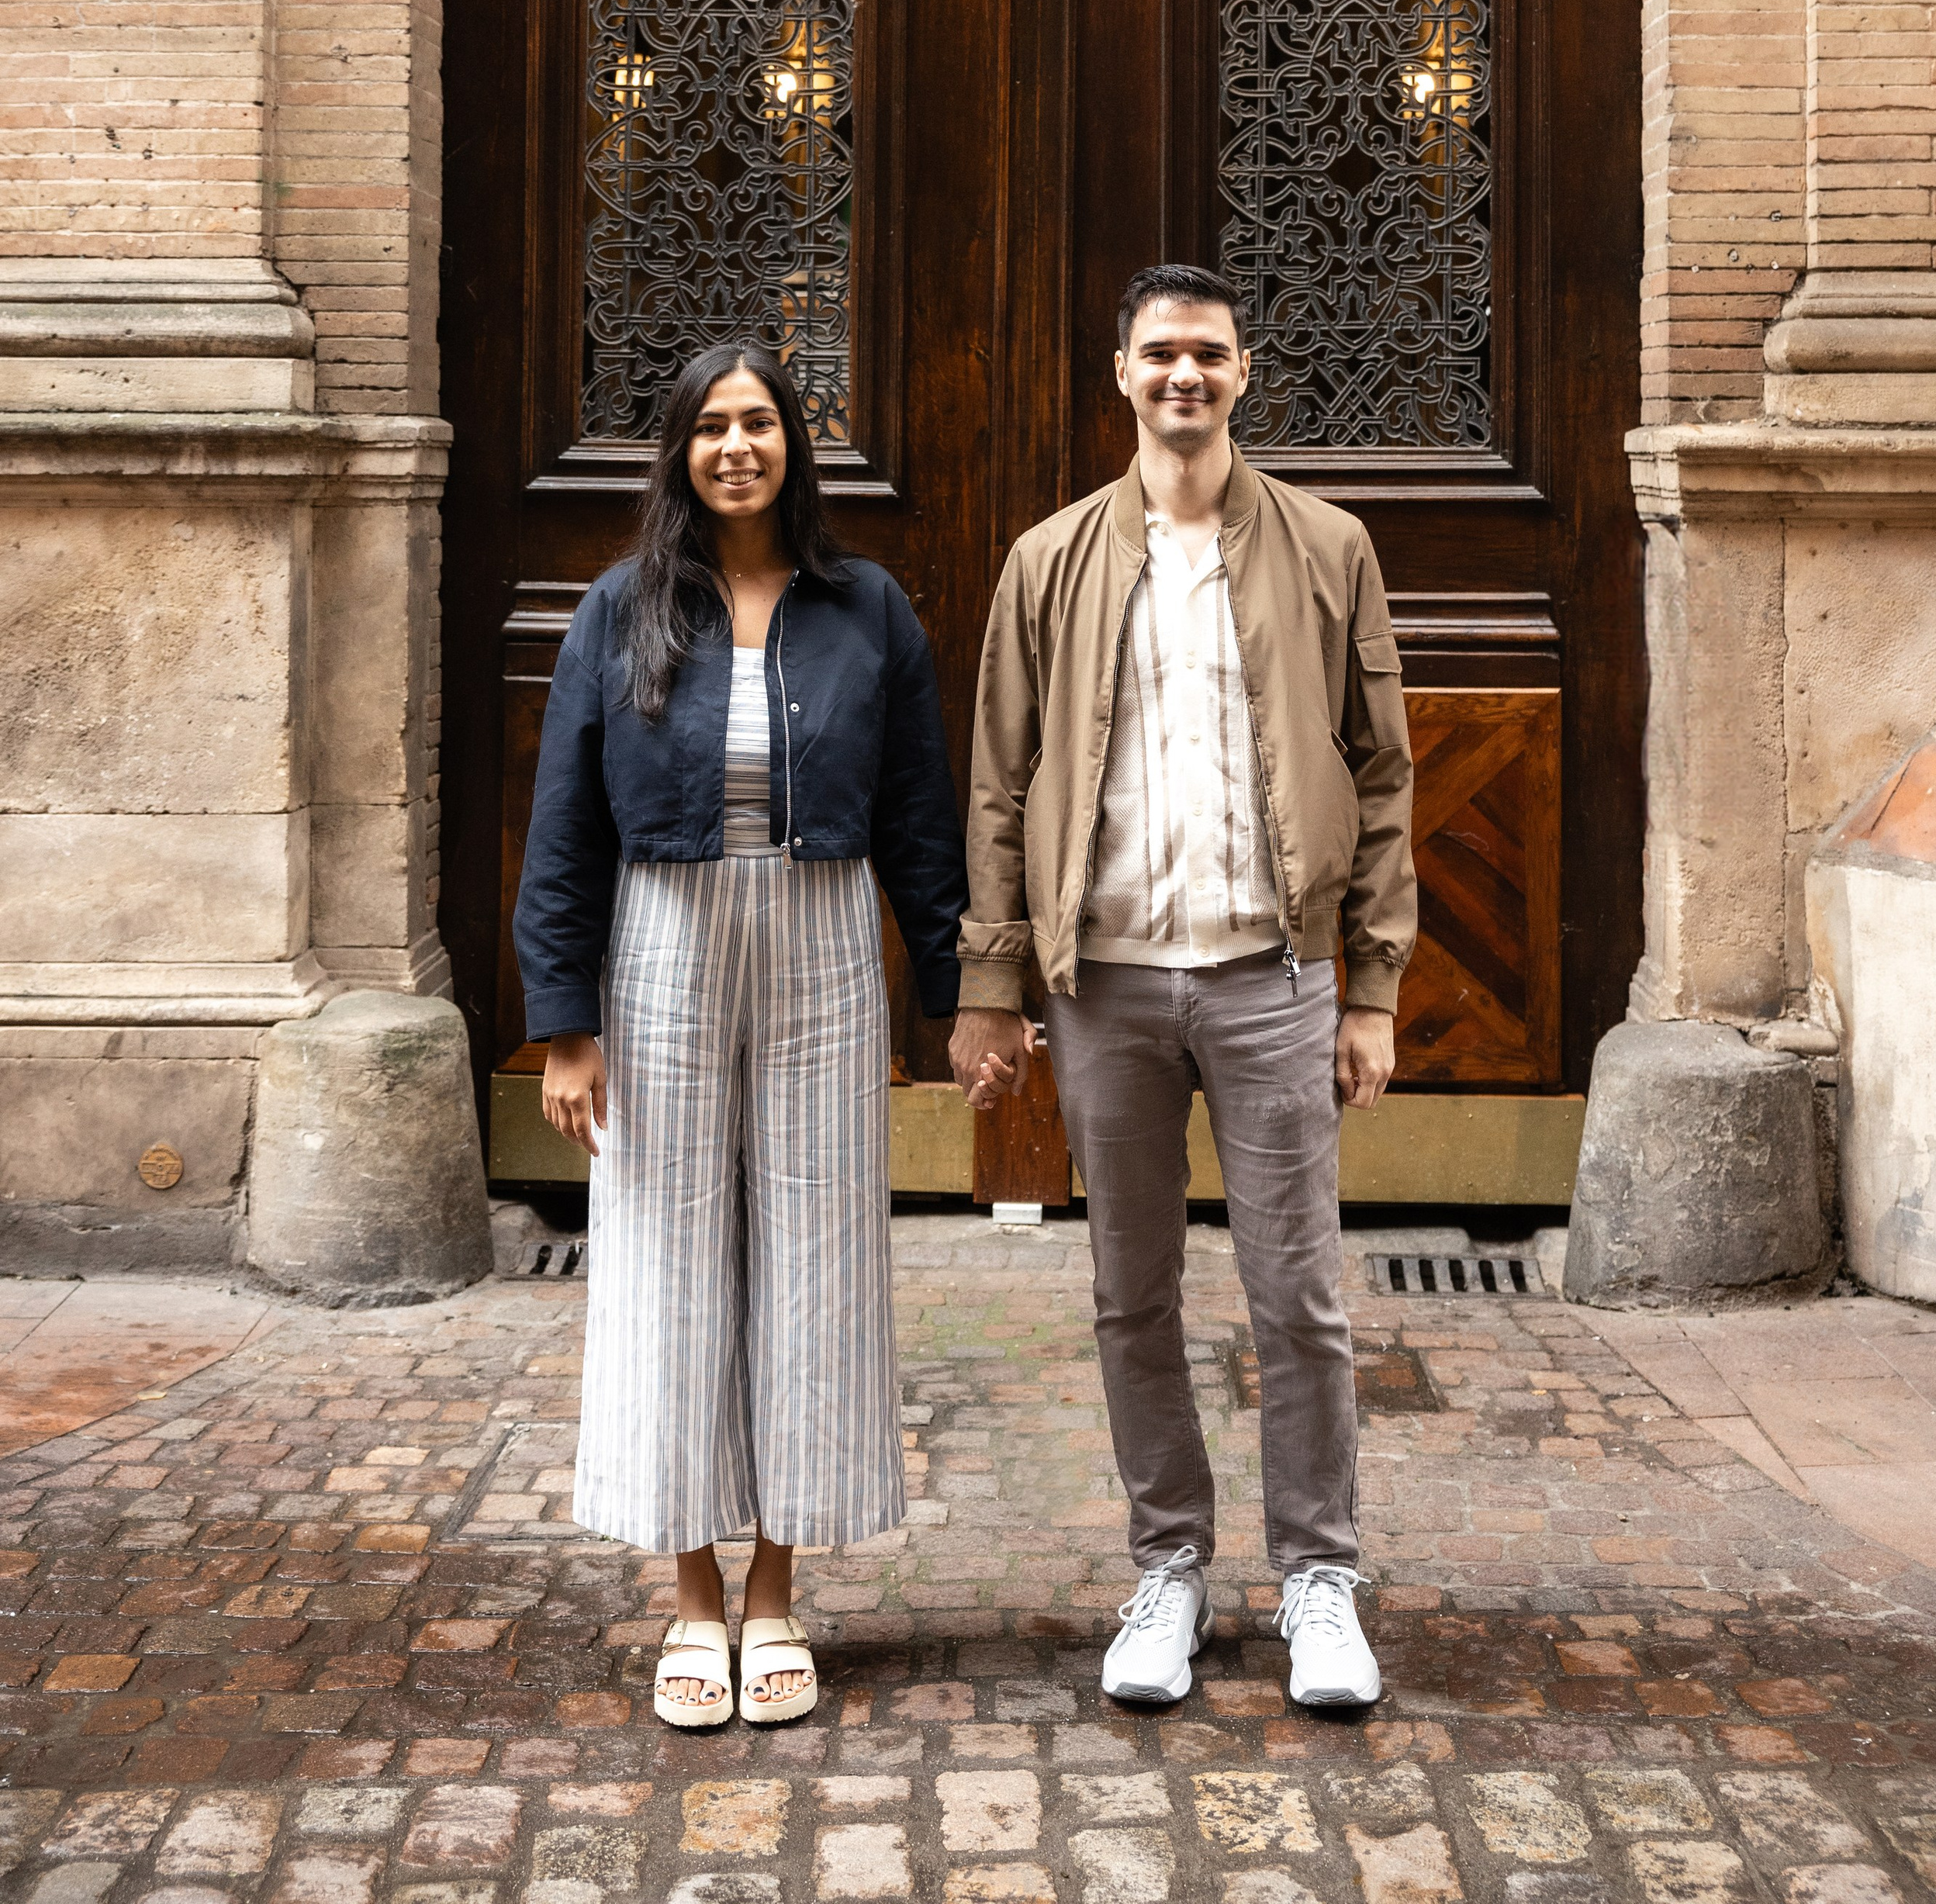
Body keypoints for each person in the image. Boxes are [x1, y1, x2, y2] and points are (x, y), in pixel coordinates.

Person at [515, 340, 1015, 1729]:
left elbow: (922, 813)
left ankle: (780, 1592)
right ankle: (689, 1600)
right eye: (711, 427)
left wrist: (960, 993)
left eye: (761, 423)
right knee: (668, 1247)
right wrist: (564, 1024)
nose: (737, 445)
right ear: (679, 451)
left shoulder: (867, 611)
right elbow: (565, 824)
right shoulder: (620, 610)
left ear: (797, 443)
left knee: (816, 1247)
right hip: (662, 939)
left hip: (822, 938)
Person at [956, 264, 1417, 1710]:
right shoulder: (1050, 562)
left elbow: (1386, 770)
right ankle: (1169, 1567)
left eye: (1207, 356)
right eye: (1160, 354)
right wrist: (992, 978)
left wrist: (1372, 986)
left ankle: (1320, 1582)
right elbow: (998, 784)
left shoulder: (1330, 548)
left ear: (1242, 371)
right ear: (1121, 373)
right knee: (1128, 1294)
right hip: (1110, 989)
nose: (1184, 378)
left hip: (1275, 974)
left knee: (1301, 1295)